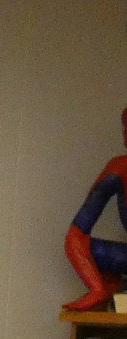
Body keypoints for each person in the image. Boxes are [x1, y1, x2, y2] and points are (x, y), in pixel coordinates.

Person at [63, 106, 127, 311]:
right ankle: (113, 289)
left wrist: (97, 288)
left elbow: (75, 236)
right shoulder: (120, 168)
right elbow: (77, 235)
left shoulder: (119, 168)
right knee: (86, 247)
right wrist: (98, 287)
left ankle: (112, 289)